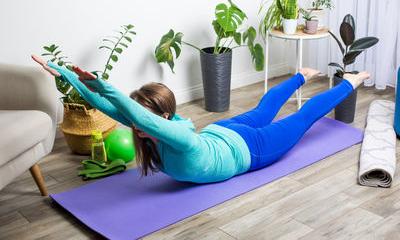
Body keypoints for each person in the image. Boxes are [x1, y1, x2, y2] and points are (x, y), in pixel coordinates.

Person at [32, 55, 370, 183]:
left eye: (146, 120)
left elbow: (133, 113)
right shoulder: (151, 131)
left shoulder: (180, 140)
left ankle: (349, 82)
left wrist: (103, 82)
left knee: (303, 117)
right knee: (264, 111)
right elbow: (111, 108)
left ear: (163, 118)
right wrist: (64, 74)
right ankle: (300, 75)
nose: (136, 125)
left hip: (251, 150)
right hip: (221, 131)